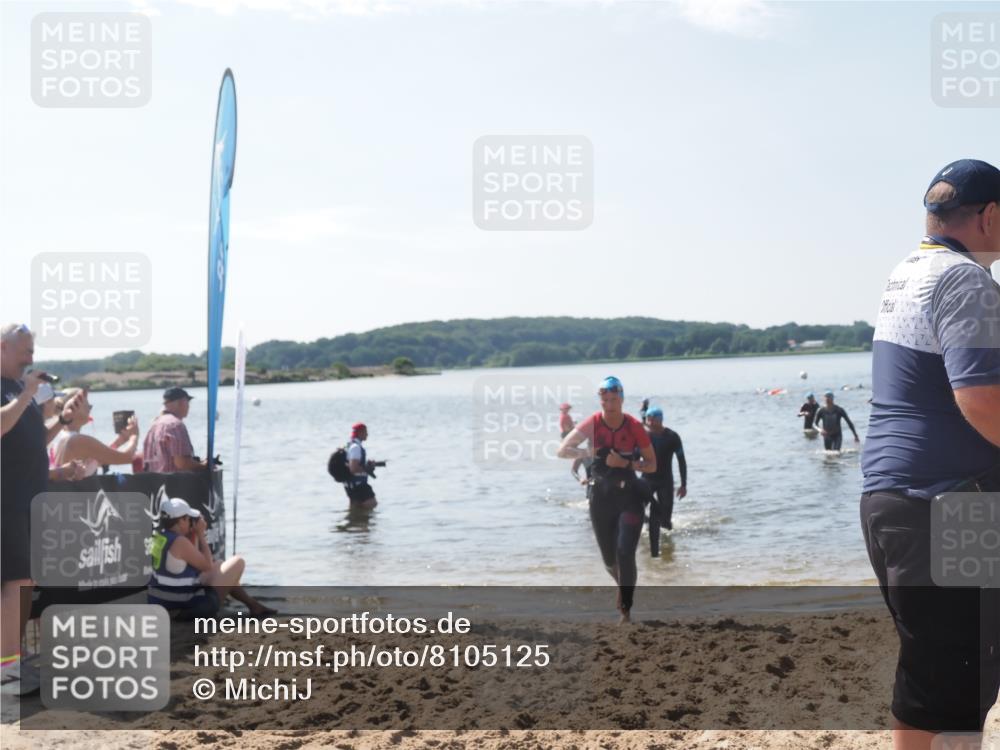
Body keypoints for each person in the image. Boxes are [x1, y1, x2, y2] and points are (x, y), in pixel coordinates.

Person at [861, 158, 1000, 746]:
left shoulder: (911, 271)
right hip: (945, 502)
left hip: (896, 500)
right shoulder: (965, 279)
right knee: (951, 681)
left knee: (947, 677)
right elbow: (981, 399)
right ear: (990, 218)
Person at [0, 324, 80, 695]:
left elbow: (33, 439)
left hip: (29, 500)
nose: (31, 358)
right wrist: (30, 391)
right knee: (13, 585)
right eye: (25, 351)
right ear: (2, 348)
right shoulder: (15, 390)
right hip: (7, 501)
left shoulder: (19, 389)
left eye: (33, 350)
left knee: (23, 585)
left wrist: (61, 422)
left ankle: (11, 665)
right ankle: (7, 674)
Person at [558, 376, 656, 623]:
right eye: (605, 400)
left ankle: (626, 610)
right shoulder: (592, 423)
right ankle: (623, 585)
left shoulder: (633, 426)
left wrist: (625, 463)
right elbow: (562, 450)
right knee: (610, 562)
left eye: (613, 399)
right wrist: (590, 451)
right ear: (600, 400)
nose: (609, 404)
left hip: (629, 496)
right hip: (600, 499)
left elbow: (652, 465)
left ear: (621, 399)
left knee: (625, 553)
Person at [148, 497, 275, 620]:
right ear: (181, 520)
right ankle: (253, 605)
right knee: (238, 562)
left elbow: (196, 568)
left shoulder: (159, 537)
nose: (190, 522)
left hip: (163, 602)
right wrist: (201, 535)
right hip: (185, 608)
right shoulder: (179, 542)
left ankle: (253, 605)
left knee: (220, 565)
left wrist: (194, 535)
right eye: (188, 519)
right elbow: (207, 565)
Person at [49, 387, 139, 477]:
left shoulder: (56, 435)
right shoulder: (78, 441)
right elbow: (127, 457)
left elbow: (99, 458)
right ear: (74, 407)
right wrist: (134, 436)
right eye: (87, 406)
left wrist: (120, 441)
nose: (90, 409)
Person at [642, 406, 687, 555]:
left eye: (651, 418)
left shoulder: (672, 437)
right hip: (647, 480)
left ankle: (668, 552)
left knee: (666, 523)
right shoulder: (643, 437)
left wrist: (683, 484)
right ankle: (648, 527)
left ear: (660, 419)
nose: (648, 421)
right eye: (647, 418)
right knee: (636, 511)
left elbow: (681, 460)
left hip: (665, 482)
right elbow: (634, 458)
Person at [143, 387, 207, 473]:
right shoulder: (175, 425)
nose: (188, 406)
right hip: (174, 484)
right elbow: (182, 463)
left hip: (155, 484)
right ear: (182, 402)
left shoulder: (154, 425)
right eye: (188, 402)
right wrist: (203, 465)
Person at [345, 422, 379, 509]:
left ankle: (357, 521)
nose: (367, 434)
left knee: (356, 509)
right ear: (360, 433)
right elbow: (353, 468)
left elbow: (353, 464)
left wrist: (366, 465)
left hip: (351, 485)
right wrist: (367, 468)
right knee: (372, 504)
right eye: (365, 432)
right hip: (359, 485)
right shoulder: (356, 447)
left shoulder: (349, 445)